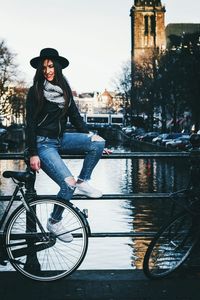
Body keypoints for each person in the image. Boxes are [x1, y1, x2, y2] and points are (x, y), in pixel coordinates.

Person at [26, 48, 105, 242]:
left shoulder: (65, 91)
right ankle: (54, 221)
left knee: (98, 141)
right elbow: (29, 124)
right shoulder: (36, 91)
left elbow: (76, 118)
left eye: (51, 66)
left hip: (61, 139)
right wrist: (33, 153)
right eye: (44, 67)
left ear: (57, 67)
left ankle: (83, 181)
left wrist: (89, 138)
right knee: (67, 185)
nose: (47, 70)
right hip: (43, 144)